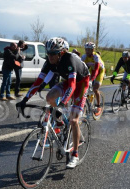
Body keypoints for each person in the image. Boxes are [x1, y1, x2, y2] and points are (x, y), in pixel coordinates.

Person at [17, 37, 90, 169]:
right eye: (48, 53)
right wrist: (24, 100)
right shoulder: (49, 63)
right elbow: (38, 82)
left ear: (61, 53)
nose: (49, 56)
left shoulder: (69, 59)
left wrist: (62, 104)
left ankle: (75, 154)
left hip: (81, 83)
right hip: (69, 81)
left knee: (74, 120)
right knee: (50, 97)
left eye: (52, 54)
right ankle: (61, 121)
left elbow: (73, 86)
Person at [81, 42, 105, 116]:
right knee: (84, 86)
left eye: (89, 50)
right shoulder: (84, 57)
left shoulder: (96, 57)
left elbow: (97, 70)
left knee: (95, 89)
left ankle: (98, 106)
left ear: (93, 50)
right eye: (86, 49)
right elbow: (81, 68)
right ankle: (87, 101)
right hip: (91, 70)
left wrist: (92, 79)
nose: (87, 51)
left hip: (100, 71)